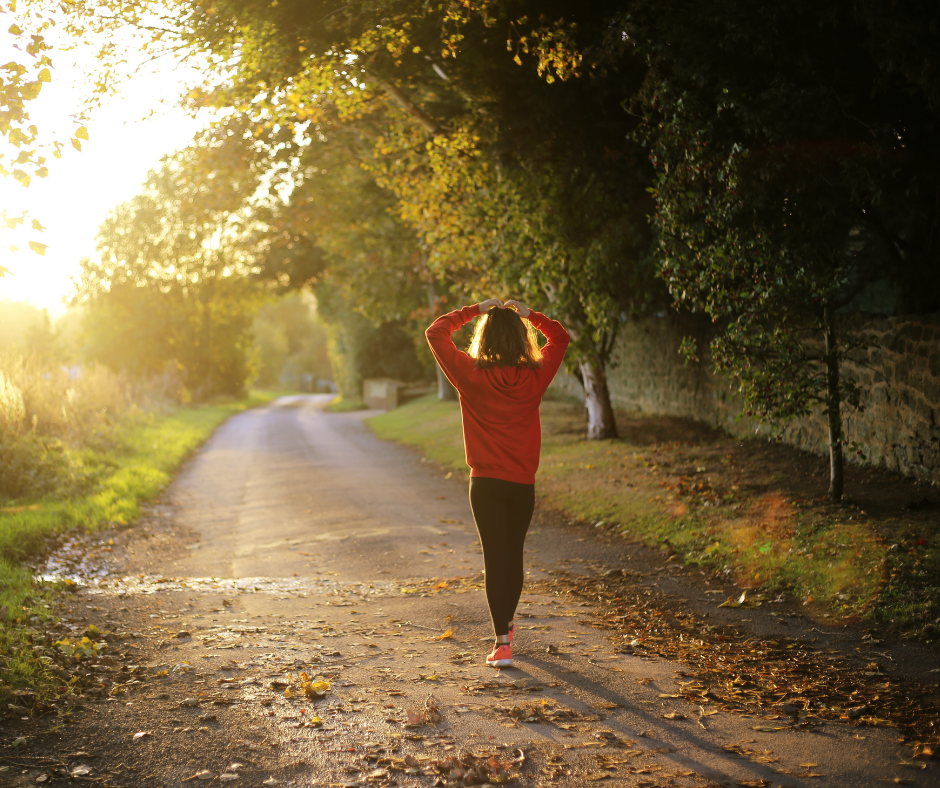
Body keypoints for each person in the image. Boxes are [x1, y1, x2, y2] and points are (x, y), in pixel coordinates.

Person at [426, 297, 570, 668]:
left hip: (485, 484)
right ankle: (505, 628)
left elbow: (436, 332)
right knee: (513, 554)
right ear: (521, 338)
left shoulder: (469, 373)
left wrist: (474, 310)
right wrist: (530, 315)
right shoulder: (536, 375)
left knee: (495, 558)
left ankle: (502, 643)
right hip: (522, 484)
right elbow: (560, 337)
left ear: (484, 337)